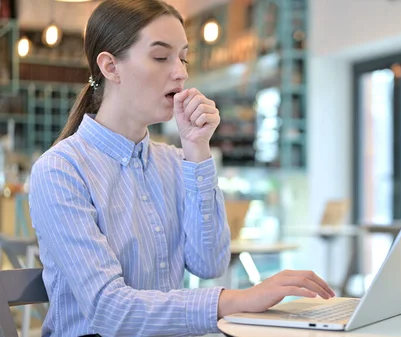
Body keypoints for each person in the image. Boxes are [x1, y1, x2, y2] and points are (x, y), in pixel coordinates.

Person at [27, 1, 335, 336]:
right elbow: (109, 310)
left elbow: (210, 263)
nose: (181, 72)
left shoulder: (174, 161)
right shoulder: (60, 170)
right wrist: (239, 299)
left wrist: (197, 148)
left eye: (183, 57)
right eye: (161, 57)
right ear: (110, 66)